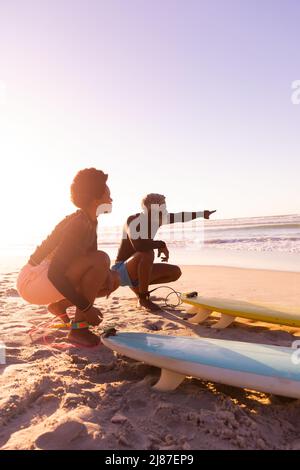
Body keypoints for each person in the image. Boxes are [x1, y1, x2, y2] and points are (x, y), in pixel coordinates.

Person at [17, 168, 120, 346]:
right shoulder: (78, 224)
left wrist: (108, 274)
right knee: (101, 259)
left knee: (112, 278)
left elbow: (91, 258)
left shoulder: (91, 220)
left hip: (47, 276)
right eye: (107, 194)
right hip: (33, 280)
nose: (111, 199)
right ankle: (79, 330)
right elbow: (55, 274)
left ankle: (60, 306)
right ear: (96, 198)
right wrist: (87, 308)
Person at [112, 193, 216, 311]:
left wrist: (202, 214)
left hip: (137, 270)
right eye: (162, 207)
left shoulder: (158, 219)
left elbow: (180, 216)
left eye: (164, 206)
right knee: (147, 253)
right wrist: (161, 244)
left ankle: (139, 290)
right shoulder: (133, 220)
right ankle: (143, 298)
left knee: (175, 272)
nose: (165, 209)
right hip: (120, 271)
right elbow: (139, 245)